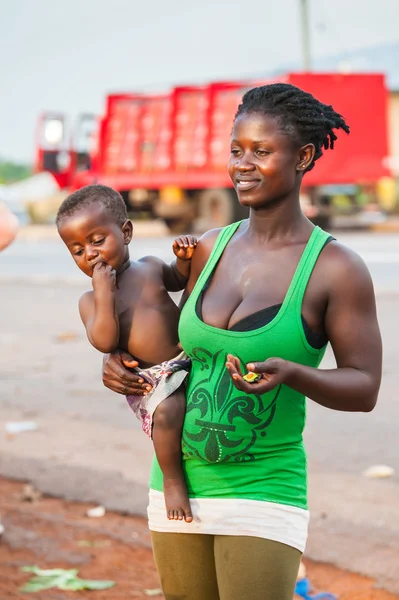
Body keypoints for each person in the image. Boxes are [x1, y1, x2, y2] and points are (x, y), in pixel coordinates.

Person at [102, 83, 382, 600]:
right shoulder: (209, 248)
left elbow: (365, 387)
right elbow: (173, 351)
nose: (243, 165)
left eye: (261, 151)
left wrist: (295, 373)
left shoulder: (335, 269)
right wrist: (118, 363)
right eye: (236, 150)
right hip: (177, 483)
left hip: (264, 487)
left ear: (303, 157)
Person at [56, 184, 197, 523]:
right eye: (77, 250)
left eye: (97, 240)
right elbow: (105, 341)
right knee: (169, 412)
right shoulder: (90, 301)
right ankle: (173, 481)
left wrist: (182, 259)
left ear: (126, 232)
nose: (89, 254)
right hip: (152, 379)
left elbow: (178, 280)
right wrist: (104, 294)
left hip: (186, 359)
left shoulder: (150, 266)